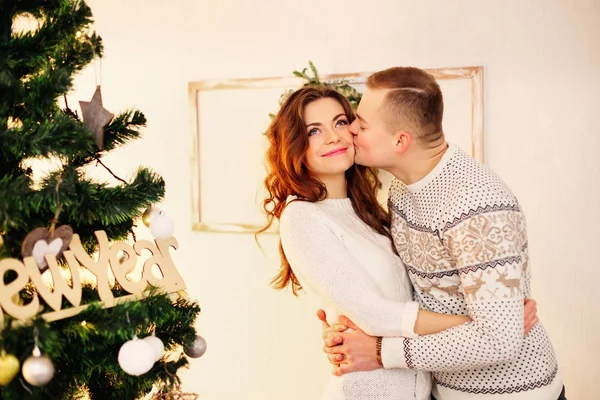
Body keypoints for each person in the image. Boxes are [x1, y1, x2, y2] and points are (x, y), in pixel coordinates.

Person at [258, 86, 537, 400]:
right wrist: (489, 327)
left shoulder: (367, 209)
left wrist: (496, 326)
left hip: (424, 389)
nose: (334, 137)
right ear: (295, 144)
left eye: (339, 123)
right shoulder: (302, 217)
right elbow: (375, 314)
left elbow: (414, 291)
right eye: (313, 131)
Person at [319, 67, 565, 400]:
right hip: (443, 387)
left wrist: (380, 351)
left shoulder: (478, 204)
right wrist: (347, 327)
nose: (351, 130)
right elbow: (413, 291)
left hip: (512, 393)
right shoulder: (402, 192)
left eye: (361, 124)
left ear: (400, 141)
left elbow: (499, 342)